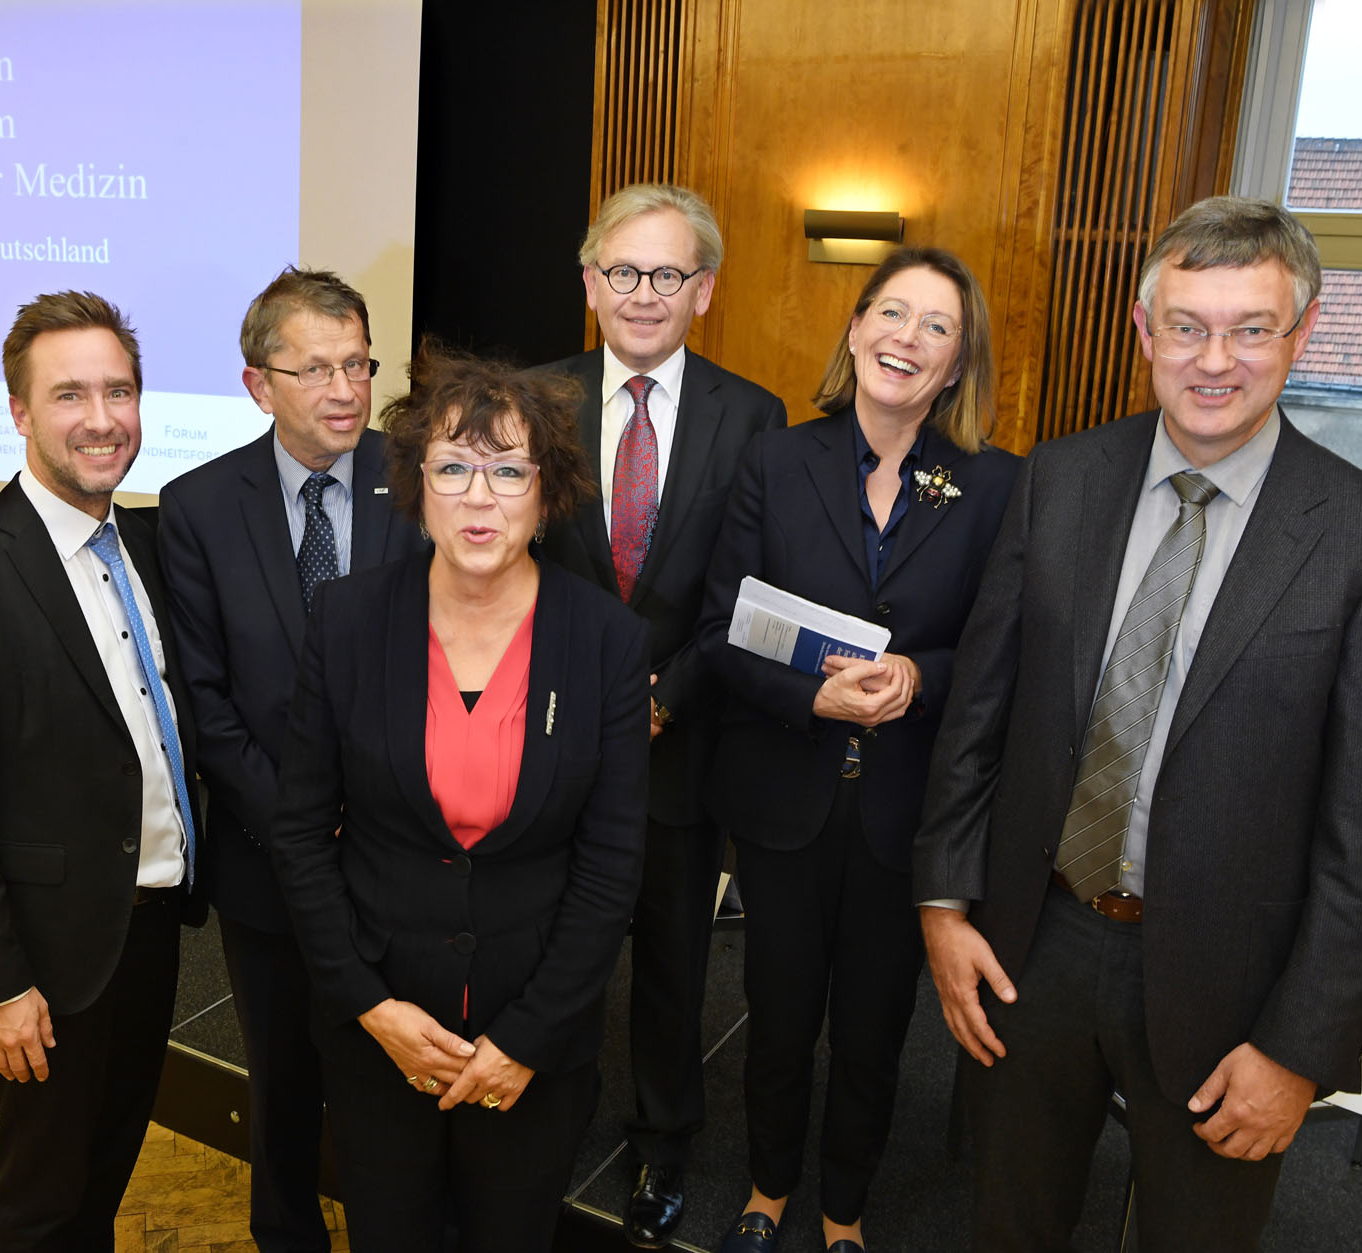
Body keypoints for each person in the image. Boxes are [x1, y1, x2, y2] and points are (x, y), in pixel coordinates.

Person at [913, 196, 1362, 1250]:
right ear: (1144, 331)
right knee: (1005, 1221)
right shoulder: (1057, 479)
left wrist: (1297, 1048)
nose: (1215, 359)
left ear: (1301, 333)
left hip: (1233, 990)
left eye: (1250, 328)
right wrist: (942, 903)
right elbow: (979, 709)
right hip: (1035, 944)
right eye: (1188, 325)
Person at [267, 346, 650, 1252]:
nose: (480, 498)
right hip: (380, 1027)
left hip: (534, 1037)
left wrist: (528, 1037)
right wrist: (371, 1005)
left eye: (509, 470)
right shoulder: (350, 618)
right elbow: (299, 833)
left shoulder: (606, 641)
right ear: (417, 487)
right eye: (454, 468)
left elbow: (611, 864)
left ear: (548, 494)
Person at [695, 249, 1019, 1252]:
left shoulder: (995, 484)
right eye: (889, 312)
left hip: (904, 815)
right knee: (777, 1014)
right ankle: (766, 1186)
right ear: (852, 328)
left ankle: (844, 1208)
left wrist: (917, 676)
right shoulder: (777, 460)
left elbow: (1005, 652)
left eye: (934, 326)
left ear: (958, 362)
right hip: (785, 798)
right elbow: (719, 631)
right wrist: (811, 694)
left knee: (874, 1031)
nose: (904, 338)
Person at [0, 291, 208, 1250]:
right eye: (70, 395)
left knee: (98, 1180)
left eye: (120, 391)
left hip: (146, 929)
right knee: (38, 1203)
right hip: (46, 959)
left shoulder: (151, 543)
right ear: (20, 412)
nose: (103, 419)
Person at [538, 182, 786, 1250]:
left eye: (668, 273)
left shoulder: (751, 415)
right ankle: (542, 1120)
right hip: (547, 739)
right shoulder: (533, 399)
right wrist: (588, 704)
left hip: (684, 742)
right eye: (623, 271)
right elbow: (503, 567)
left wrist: (664, 695)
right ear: (589, 282)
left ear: (705, 290)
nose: (644, 293)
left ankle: (659, 1142)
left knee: (673, 963)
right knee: (545, 948)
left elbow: (744, 587)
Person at [158, 267, 422, 1251]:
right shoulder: (196, 506)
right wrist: (302, 825)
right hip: (266, 859)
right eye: (315, 368)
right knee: (281, 1075)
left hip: (399, 855)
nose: (346, 389)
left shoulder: (423, 478)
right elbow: (205, 702)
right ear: (256, 383)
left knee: (386, 1078)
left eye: (356, 362)